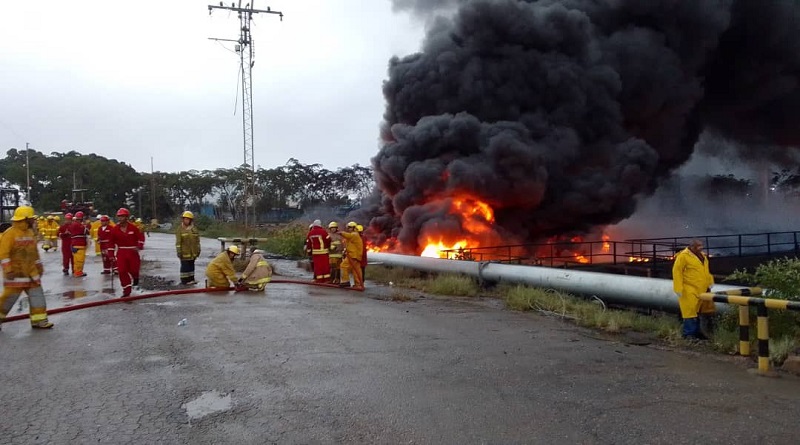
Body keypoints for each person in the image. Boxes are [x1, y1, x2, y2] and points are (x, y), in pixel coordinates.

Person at [0, 206, 54, 329]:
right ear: (25, 219)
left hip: (31, 274)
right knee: (8, 300)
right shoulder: (10, 234)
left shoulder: (30, 233)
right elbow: (3, 254)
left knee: (38, 298)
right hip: (16, 275)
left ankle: (39, 320)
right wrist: (8, 270)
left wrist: (39, 267)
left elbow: (34, 252)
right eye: (31, 218)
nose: (33, 220)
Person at [672, 239, 715, 340]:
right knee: (690, 311)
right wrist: (678, 288)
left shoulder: (703, 256)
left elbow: (705, 271)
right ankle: (689, 334)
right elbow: (677, 272)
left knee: (698, 311)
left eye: (701, 245)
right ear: (692, 247)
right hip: (689, 288)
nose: (701, 248)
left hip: (702, 288)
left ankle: (697, 333)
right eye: (698, 246)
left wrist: (710, 281)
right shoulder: (683, 256)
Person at [110, 207, 145, 297]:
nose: (120, 218)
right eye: (119, 216)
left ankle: (135, 278)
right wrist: (111, 255)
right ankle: (126, 289)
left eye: (122, 216)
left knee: (134, 270)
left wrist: (139, 245)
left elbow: (141, 237)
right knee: (122, 271)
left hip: (133, 252)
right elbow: (111, 243)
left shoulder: (134, 228)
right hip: (121, 252)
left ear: (126, 217)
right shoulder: (115, 229)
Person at [175, 210, 201, 285]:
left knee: (191, 266)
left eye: (188, 219)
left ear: (191, 220)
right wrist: (179, 251)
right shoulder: (180, 229)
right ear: (183, 219)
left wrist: (198, 250)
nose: (187, 220)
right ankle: (184, 281)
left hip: (193, 253)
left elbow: (197, 241)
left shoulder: (194, 229)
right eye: (185, 219)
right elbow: (178, 242)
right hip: (184, 253)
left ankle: (191, 279)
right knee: (185, 267)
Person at [339, 221, 364, 290]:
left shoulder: (355, 234)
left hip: (353, 256)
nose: (348, 229)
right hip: (354, 255)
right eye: (348, 227)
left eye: (350, 227)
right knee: (356, 270)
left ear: (353, 228)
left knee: (343, 266)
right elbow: (348, 242)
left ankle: (345, 281)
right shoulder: (354, 235)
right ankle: (358, 284)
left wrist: (341, 233)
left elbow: (348, 236)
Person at [67, 211, 90, 277]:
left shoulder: (72, 224)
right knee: (80, 260)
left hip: (74, 244)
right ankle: (78, 272)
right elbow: (87, 231)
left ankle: (76, 271)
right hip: (79, 245)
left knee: (76, 260)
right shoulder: (79, 225)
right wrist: (87, 224)